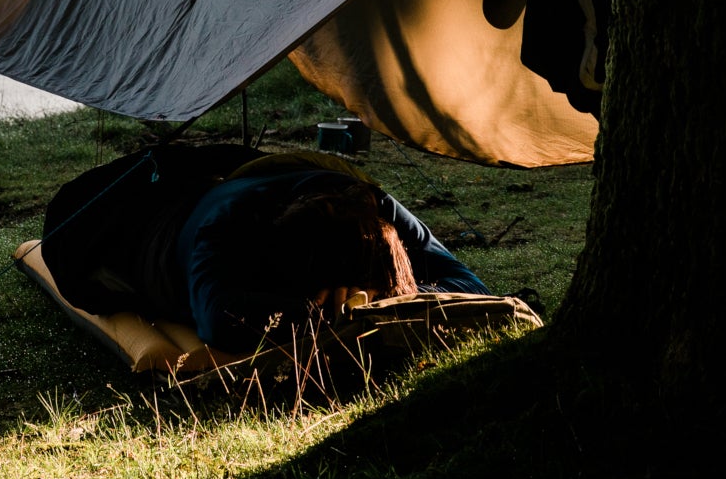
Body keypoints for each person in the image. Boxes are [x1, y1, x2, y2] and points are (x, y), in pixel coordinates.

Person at [39, 146, 488, 355]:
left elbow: (469, 285)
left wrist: (387, 300)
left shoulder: (374, 206)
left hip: (267, 173)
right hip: (146, 229)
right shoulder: (227, 232)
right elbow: (220, 320)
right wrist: (318, 312)